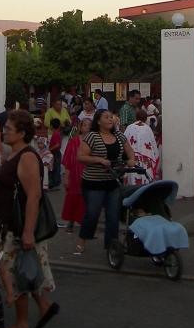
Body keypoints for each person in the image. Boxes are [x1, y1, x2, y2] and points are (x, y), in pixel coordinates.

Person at [0, 109, 59, 328]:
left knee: (15, 273)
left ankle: (22, 324)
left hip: (19, 227)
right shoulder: (14, 153)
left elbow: (33, 195)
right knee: (24, 269)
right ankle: (44, 306)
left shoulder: (27, 157)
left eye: (8, 129)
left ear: (22, 133)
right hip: (9, 225)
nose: (4, 132)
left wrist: (28, 232)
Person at [75, 109, 135, 255]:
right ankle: (82, 240)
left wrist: (131, 160)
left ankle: (111, 247)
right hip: (94, 182)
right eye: (106, 117)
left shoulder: (119, 136)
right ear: (98, 121)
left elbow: (130, 152)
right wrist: (99, 160)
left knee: (113, 216)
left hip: (113, 182)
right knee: (92, 214)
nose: (110, 119)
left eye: (111, 117)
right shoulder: (92, 136)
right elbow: (81, 156)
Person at [60, 117, 89, 233]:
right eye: (85, 125)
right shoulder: (74, 141)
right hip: (75, 174)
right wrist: (66, 177)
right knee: (73, 198)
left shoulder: (93, 141)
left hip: (88, 174)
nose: (87, 127)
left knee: (86, 199)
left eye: (89, 125)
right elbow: (68, 160)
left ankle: (85, 224)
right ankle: (71, 222)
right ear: (80, 127)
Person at [122, 108, 159, 185]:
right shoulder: (148, 129)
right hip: (146, 161)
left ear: (136, 117)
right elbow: (153, 146)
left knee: (132, 182)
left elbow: (123, 141)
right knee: (145, 182)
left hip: (132, 160)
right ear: (146, 119)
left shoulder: (129, 127)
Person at [47, 119, 63, 189]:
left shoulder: (55, 134)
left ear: (51, 126)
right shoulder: (57, 133)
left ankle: (54, 183)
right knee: (55, 167)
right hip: (56, 153)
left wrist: (49, 149)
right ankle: (56, 182)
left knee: (54, 168)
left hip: (55, 153)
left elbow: (57, 144)